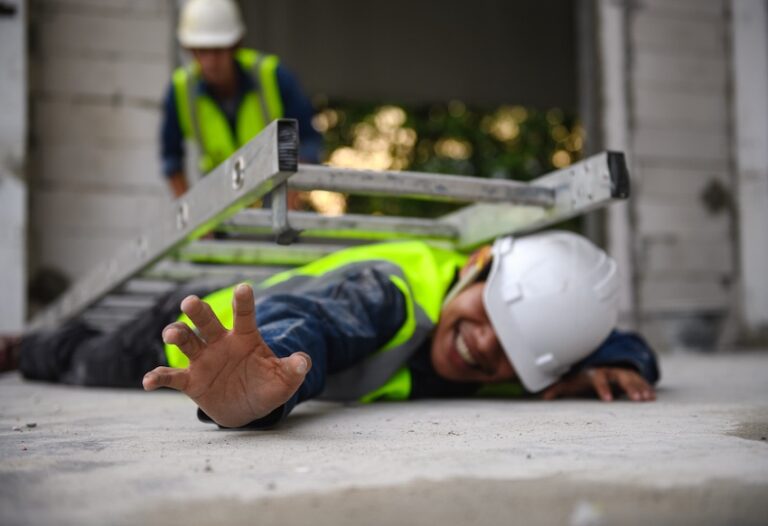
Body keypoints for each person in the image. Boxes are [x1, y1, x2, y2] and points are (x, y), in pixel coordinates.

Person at [5, 231, 659, 429]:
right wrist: (272, 383)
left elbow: (620, 342)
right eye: (490, 317)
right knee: (85, 360)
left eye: (513, 350)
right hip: (200, 340)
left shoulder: (534, 358)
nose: (485, 345)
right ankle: (25, 344)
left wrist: (618, 363)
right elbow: (319, 324)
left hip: (230, 355)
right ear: (476, 265)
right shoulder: (390, 294)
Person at [161, 0, 322, 197]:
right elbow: (171, 160)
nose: (211, 62)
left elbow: (308, 141)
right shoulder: (181, 91)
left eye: (218, 50)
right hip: (219, 205)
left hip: (273, 199)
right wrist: (192, 217)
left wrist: (292, 191)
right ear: (191, 51)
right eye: (202, 51)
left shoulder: (273, 76)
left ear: (235, 46)